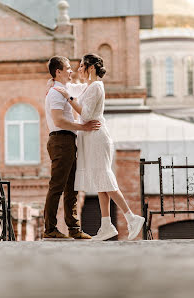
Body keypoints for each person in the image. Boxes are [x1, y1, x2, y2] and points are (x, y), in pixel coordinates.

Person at [52, 53, 145, 241]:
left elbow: (85, 114)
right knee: (101, 181)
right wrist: (54, 83)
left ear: (91, 68)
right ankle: (106, 225)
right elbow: (73, 87)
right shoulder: (88, 87)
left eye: (81, 66)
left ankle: (131, 217)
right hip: (91, 137)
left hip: (97, 136)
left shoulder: (96, 87)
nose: (78, 70)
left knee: (105, 178)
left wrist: (68, 97)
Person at [43, 56, 101, 240]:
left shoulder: (65, 89)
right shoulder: (55, 93)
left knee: (71, 187)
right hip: (61, 141)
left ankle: (74, 228)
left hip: (67, 141)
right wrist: (83, 127)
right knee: (57, 187)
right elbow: (59, 120)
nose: (72, 71)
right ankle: (50, 228)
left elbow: (86, 88)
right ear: (58, 71)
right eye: (68, 68)